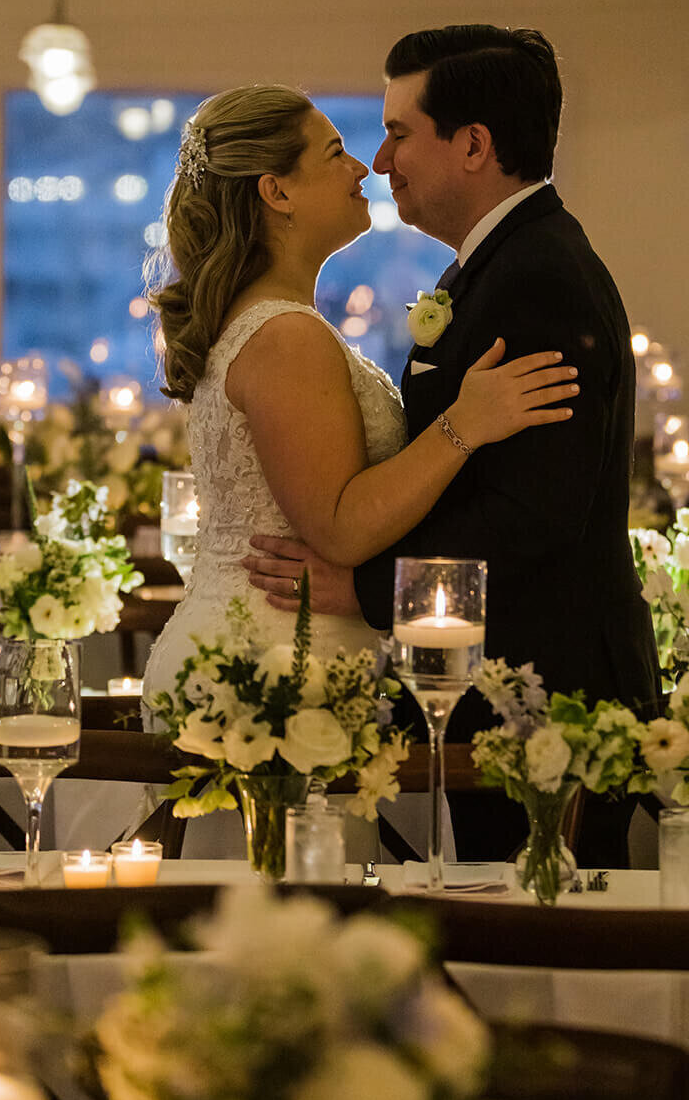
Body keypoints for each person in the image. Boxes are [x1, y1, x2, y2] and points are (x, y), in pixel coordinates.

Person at [243, 26, 660, 864]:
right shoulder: (496, 262)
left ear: (473, 145)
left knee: (535, 955)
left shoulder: (536, 274)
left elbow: (533, 512)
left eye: (399, 132)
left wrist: (366, 587)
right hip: (502, 679)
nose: (381, 158)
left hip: (546, 689)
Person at [141, 82, 578, 712]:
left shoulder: (269, 322)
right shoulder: (285, 334)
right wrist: (463, 424)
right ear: (277, 190)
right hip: (271, 671)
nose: (363, 167)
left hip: (270, 649)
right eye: (335, 152)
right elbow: (340, 529)